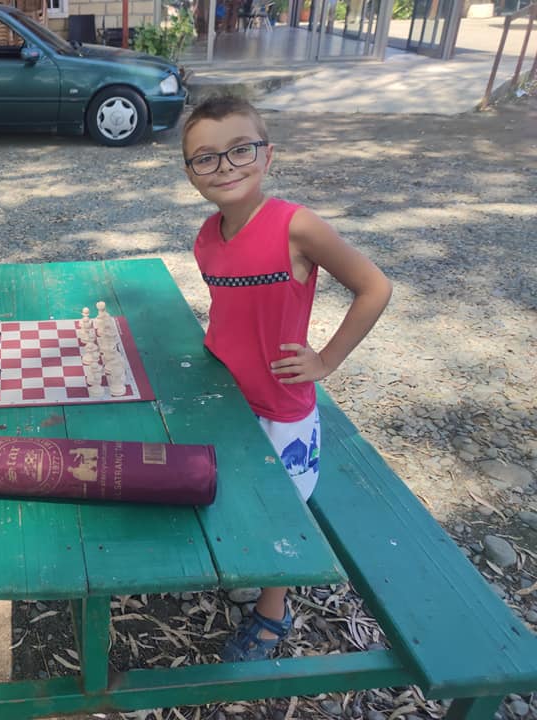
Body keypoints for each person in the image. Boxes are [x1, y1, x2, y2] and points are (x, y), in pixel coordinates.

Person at [182, 97, 392, 662]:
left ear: (267, 155)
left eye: (240, 150)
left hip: (280, 403)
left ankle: (274, 610)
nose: (224, 166)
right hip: (227, 394)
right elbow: (230, 311)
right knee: (237, 488)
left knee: (284, 507)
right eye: (205, 157)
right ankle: (249, 567)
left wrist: (327, 360)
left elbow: (375, 287)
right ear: (190, 172)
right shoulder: (206, 236)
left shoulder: (296, 225)